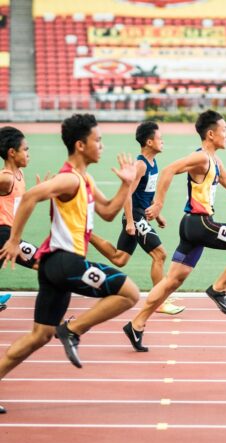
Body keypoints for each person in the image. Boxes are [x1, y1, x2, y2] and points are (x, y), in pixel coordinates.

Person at [0, 114, 140, 415]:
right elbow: (29, 199)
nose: (101, 146)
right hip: (65, 261)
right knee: (130, 293)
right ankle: (73, 330)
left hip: (55, 266)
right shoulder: (70, 178)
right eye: (97, 141)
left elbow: (108, 212)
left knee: (40, 336)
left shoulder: (85, 178)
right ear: (80, 144)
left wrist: (127, 185)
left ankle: (65, 332)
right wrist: (13, 240)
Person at [122, 110, 226, 352]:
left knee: (171, 281)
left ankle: (136, 324)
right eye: (224, 130)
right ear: (211, 134)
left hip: (192, 227)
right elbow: (168, 170)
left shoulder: (215, 161)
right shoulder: (200, 158)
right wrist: (158, 204)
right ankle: (219, 289)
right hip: (201, 224)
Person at [89, 121, 184, 317]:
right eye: (160, 139)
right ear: (149, 142)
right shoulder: (140, 165)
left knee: (120, 258)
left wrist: (158, 215)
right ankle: (159, 301)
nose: (163, 142)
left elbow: (146, 194)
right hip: (135, 216)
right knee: (160, 255)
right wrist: (131, 221)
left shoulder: (153, 162)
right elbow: (127, 195)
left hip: (142, 215)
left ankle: (86, 233)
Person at [0, 127, 40, 311]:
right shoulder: (5, 178)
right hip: (4, 235)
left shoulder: (19, 174)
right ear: (12, 153)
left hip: (10, 233)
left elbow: (19, 204)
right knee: (45, 262)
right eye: (25, 150)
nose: (28, 154)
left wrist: (39, 193)